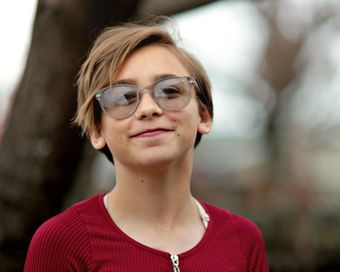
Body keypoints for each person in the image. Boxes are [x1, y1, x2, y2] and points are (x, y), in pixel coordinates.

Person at [24, 18, 269, 271]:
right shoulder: (63, 242)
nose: (149, 109)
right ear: (97, 131)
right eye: (123, 97)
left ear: (204, 116)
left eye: (170, 91)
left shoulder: (243, 240)